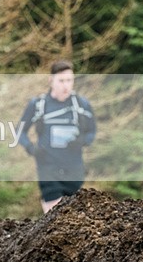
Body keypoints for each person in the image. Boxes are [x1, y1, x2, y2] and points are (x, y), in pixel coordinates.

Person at [17, 60, 96, 213]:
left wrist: (82, 142)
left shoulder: (82, 105)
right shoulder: (38, 105)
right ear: (51, 81)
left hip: (74, 167)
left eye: (69, 80)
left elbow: (91, 132)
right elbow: (20, 131)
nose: (65, 85)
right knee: (54, 215)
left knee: (73, 216)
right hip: (47, 165)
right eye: (61, 80)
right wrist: (30, 148)